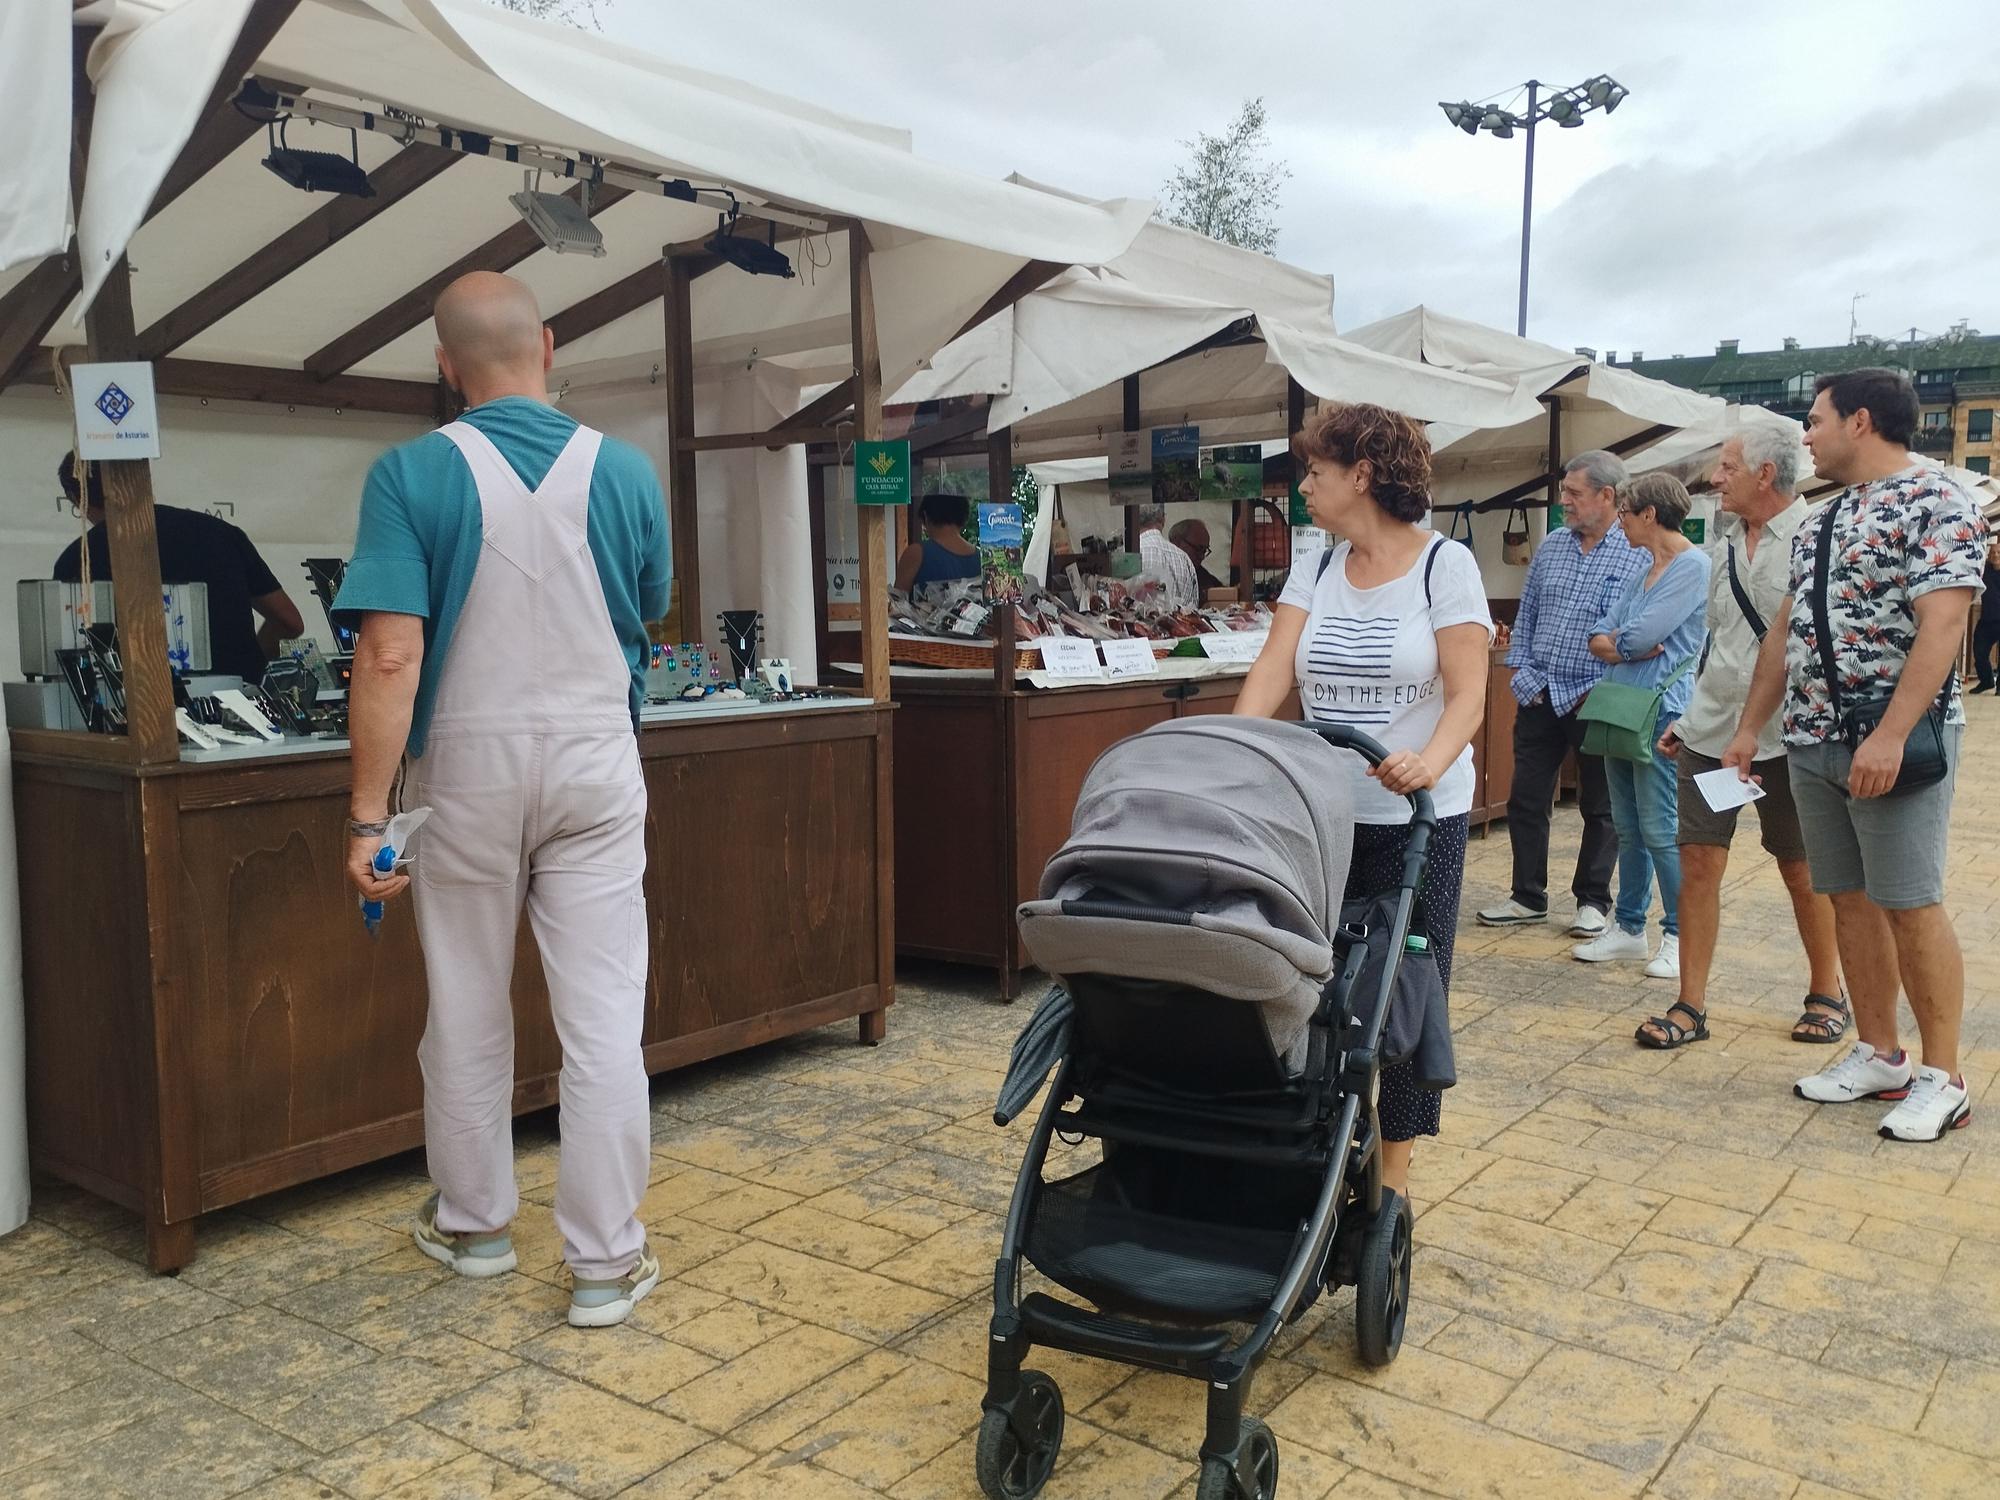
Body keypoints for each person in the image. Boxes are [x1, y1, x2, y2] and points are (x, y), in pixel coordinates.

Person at [336, 270, 673, 1321]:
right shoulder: (624, 471)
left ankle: (476, 1227)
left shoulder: (408, 472)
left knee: (469, 1003)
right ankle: (605, 1266)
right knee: (603, 1017)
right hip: (593, 760)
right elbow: (649, 610)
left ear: (444, 367)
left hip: (466, 769)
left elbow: (390, 655)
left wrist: (366, 814)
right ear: (551, 344)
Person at [1234, 402, 1491, 1201]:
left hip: (1418, 818)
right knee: (1306, 981)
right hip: (1319, 817)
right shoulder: (1312, 564)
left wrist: (1428, 761)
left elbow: (1469, 693)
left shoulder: (1443, 565)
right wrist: (1234, 748)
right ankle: (1313, 1132)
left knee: (1406, 989)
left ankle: (1394, 1173)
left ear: (1363, 475)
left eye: (1315, 470)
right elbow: (1276, 669)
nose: (1304, 485)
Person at [1724, 368, 1984, 1142]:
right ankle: (1880, 1052)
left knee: (1910, 901)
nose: (1806, 434)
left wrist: (1893, 733)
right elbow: (1784, 632)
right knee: (1848, 898)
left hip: (1895, 734)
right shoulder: (1819, 518)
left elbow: (1943, 626)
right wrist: (1749, 728)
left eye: (1815, 419)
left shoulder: (1938, 499)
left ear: (1860, 421)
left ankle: (1945, 1075)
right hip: (1813, 734)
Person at [1636, 430, 1844, 1049]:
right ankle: (1690, 1005)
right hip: (1713, 730)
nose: (1715, 478)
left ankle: (1827, 992)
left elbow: (1805, 647)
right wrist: (1691, 713)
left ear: (1764, 473)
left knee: (1801, 867)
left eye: (1727, 467)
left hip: (1789, 733)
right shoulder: (1722, 545)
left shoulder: (1817, 538)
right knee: (1699, 858)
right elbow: (1717, 641)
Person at [1477, 452, 1648, 937]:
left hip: (1599, 697)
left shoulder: (1637, 551)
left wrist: (1600, 687)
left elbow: (1639, 631)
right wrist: (1524, 676)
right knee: (1526, 800)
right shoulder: (1552, 545)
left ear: (1607, 496)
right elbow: (1526, 616)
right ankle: (1526, 896)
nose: (1564, 501)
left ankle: (1593, 901)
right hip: (1540, 693)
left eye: (1574, 493)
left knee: (1602, 806)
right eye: (1565, 491)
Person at [1570, 474, 1710, 977]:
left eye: (1626, 512)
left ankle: (1678, 933)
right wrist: (1621, 642)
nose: (1621, 522)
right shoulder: (1647, 568)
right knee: (1629, 827)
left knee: (1660, 828)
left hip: (1662, 710)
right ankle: (1630, 927)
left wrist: (1621, 641)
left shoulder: (1693, 566)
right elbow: (1602, 634)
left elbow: (1638, 635)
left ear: (1649, 514)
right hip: (1624, 707)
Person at [52, 450, 305, 685]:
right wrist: (250, 662)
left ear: (78, 497)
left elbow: (72, 659)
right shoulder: (222, 535)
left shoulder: (78, 559)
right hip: (241, 704)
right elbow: (288, 621)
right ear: (143, 479)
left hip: (138, 709)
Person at [894, 492, 980, 594]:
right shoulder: (981, 557)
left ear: (925, 516)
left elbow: (897, 603)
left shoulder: (916, 553)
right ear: (964, 517)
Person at [1136, 503, 1199, 610]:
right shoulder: (1184, 559)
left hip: (1137, 625)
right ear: (1163, 519)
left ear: (1134, 518)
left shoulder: (1128, 554)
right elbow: (1192, 610)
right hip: (1177, 625)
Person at [1969, 539, 2000, 692]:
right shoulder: (1984, 570)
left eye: (1999, 553)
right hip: (1987, 620)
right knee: (1979, 652)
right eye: (1992, 552)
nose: (1995, 555)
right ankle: (1987, 681)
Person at [1167, 518, 1217, 601]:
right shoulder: (1160, 568)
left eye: (1204, 551)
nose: (1201, 556)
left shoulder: (1205, 579)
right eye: (1198, 549)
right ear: (1177, 542)